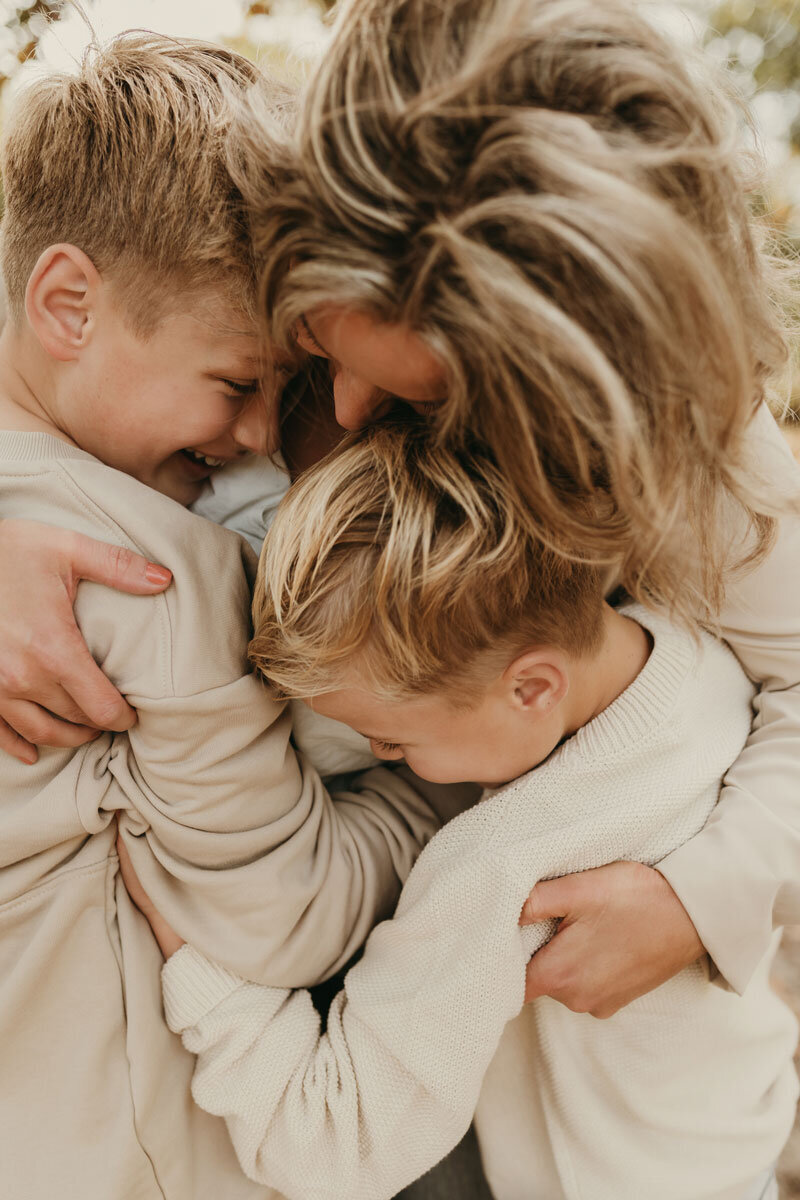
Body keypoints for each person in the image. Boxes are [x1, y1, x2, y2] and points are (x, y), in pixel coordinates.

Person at [1, 0, 799, 1020]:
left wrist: (702, 895)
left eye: (417, 397)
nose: (332, 411)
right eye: (316, 355)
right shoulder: (240, 287)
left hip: (540, 1002)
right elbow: (57, 314)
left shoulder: (683, 439)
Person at [0, 36, 454, 1200]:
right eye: (237, 382)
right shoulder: (152, 572)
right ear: (68, 304)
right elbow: (283, 921)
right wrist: (440, 792)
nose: (258, 437)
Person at [120, 423, 797, 1200]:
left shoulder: (501, 866)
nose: (376, 754)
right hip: (737, 1143)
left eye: (394, 739)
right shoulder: (706, 657)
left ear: (533, 688)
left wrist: (198, 967)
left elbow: (335, 1149)